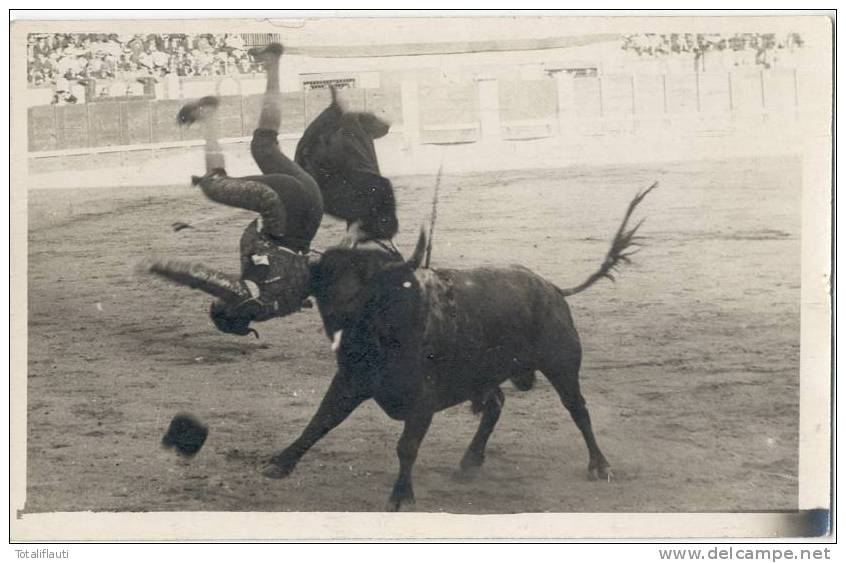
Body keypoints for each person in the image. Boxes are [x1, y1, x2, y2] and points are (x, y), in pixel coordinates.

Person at [177, 42, 323, 336]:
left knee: (264, 144)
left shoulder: (281, 305)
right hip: (283, 207)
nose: (223, 297)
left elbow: (306, 284)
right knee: (215, 186)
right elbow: (203, 278)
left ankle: (273, 64)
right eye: (222, 303)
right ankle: (208, 116)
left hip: (311, 204)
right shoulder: (244, 293)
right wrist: (158, 267)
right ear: (233, 310)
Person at [294, 82, 399, 246]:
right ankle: (362, 232)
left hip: (321, 192)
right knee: (380, 187)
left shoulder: (330, 127)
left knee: (366, 188)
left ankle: (356, 233)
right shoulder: (351, 127)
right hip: (331, 192)